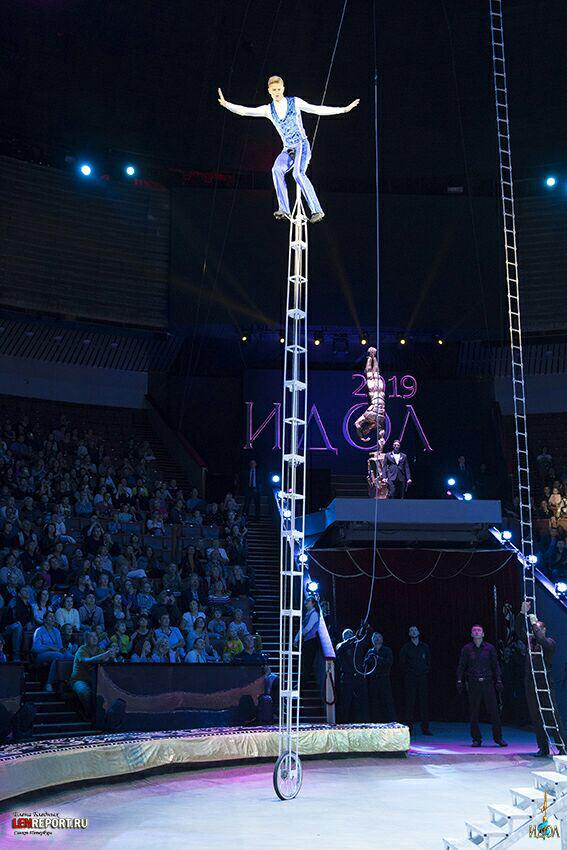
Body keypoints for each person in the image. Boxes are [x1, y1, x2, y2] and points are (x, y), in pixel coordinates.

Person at [219, 76, 359, 222]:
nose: (277, 92)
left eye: (279, 89)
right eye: (274, 90)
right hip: (288, 149)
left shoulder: (295, 102)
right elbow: (246, 111)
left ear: (283, 89)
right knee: (276, 169)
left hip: (301, 146)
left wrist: (343, 109)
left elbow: (317, 109)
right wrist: (227, 104)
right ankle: (284, 209)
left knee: (298, 173)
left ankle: (317, 210)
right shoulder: (268, 110)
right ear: (269, 91)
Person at [515, 601, 566, 756]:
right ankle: (543, 748)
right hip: (531, 682)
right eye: (536, 629)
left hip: (545, 683)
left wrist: (534, 623)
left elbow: (542, 640)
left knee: (552, 717)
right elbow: (518, 630)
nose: (536, 631)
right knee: (536, 717)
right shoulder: (530, 643)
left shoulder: (549, 642)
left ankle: (562, 747)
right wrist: (522, 613)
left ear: (544, 629)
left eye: (539, 628)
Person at [456, 625, 507, 747]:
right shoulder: (467, 649)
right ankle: (476, 739)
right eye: (474, 630)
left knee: (494, 711)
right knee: (474, 712)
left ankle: (498, 738)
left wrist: (498, 680)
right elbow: (462, 665)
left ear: (483, 634)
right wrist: (459, 680)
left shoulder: (489, 648)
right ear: (471, 634)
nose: (477, 632)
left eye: (479, 630)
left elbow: (495, 665)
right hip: (473, 683)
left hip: (487, 682)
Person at [70, 631, 117, 716]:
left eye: (96, 636)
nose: (95, 638)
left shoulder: (100, 650)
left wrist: (111, 657)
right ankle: (91, 715)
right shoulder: (82, 649)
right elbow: (87, 661)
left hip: (96, 680)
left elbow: (106, 664)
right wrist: (104, 655)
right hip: (79, 680)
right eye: (91, 636)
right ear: (86, 639)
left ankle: (107, 715)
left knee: (111, 689)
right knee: (85, 692)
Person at [400, 626, 432, 735]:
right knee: (410, 702)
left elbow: (429, 661)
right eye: (411, 630)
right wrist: (410, 673)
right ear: (409, 634)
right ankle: (409, 728)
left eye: (415, 630)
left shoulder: (424, 647)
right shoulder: (406, 647)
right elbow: (402, 663)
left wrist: (424, 671)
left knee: (424, 703)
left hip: (422, 677)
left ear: (418, 632)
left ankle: (425, 728)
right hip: (410, 678)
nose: (413, 632)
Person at [364, 632, 396, 722]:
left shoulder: (387, 650)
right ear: (372, 640)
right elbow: (365, 665)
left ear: (382, 639)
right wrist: (368, 660)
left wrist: (377, 658)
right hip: (373, 680)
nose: (377, 639)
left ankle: (391, 722)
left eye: (379, 637)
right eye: (375, 638)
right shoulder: (370, 651)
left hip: (384, 679)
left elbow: (389, 662)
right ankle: (376, 722)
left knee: (387, 701)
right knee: (374, 701)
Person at [295, 596, 320, 684]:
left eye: (308, 601)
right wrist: (296, 638)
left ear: (313, 603)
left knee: (307, 662)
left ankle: (305, 681)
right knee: (305, 662)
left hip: (311, 641)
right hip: (307, 641)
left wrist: (299, 638)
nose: (306, 602)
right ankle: (303, 680)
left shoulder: (314, 614)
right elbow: (302, 627)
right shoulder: (308, 614)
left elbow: (308, 628)